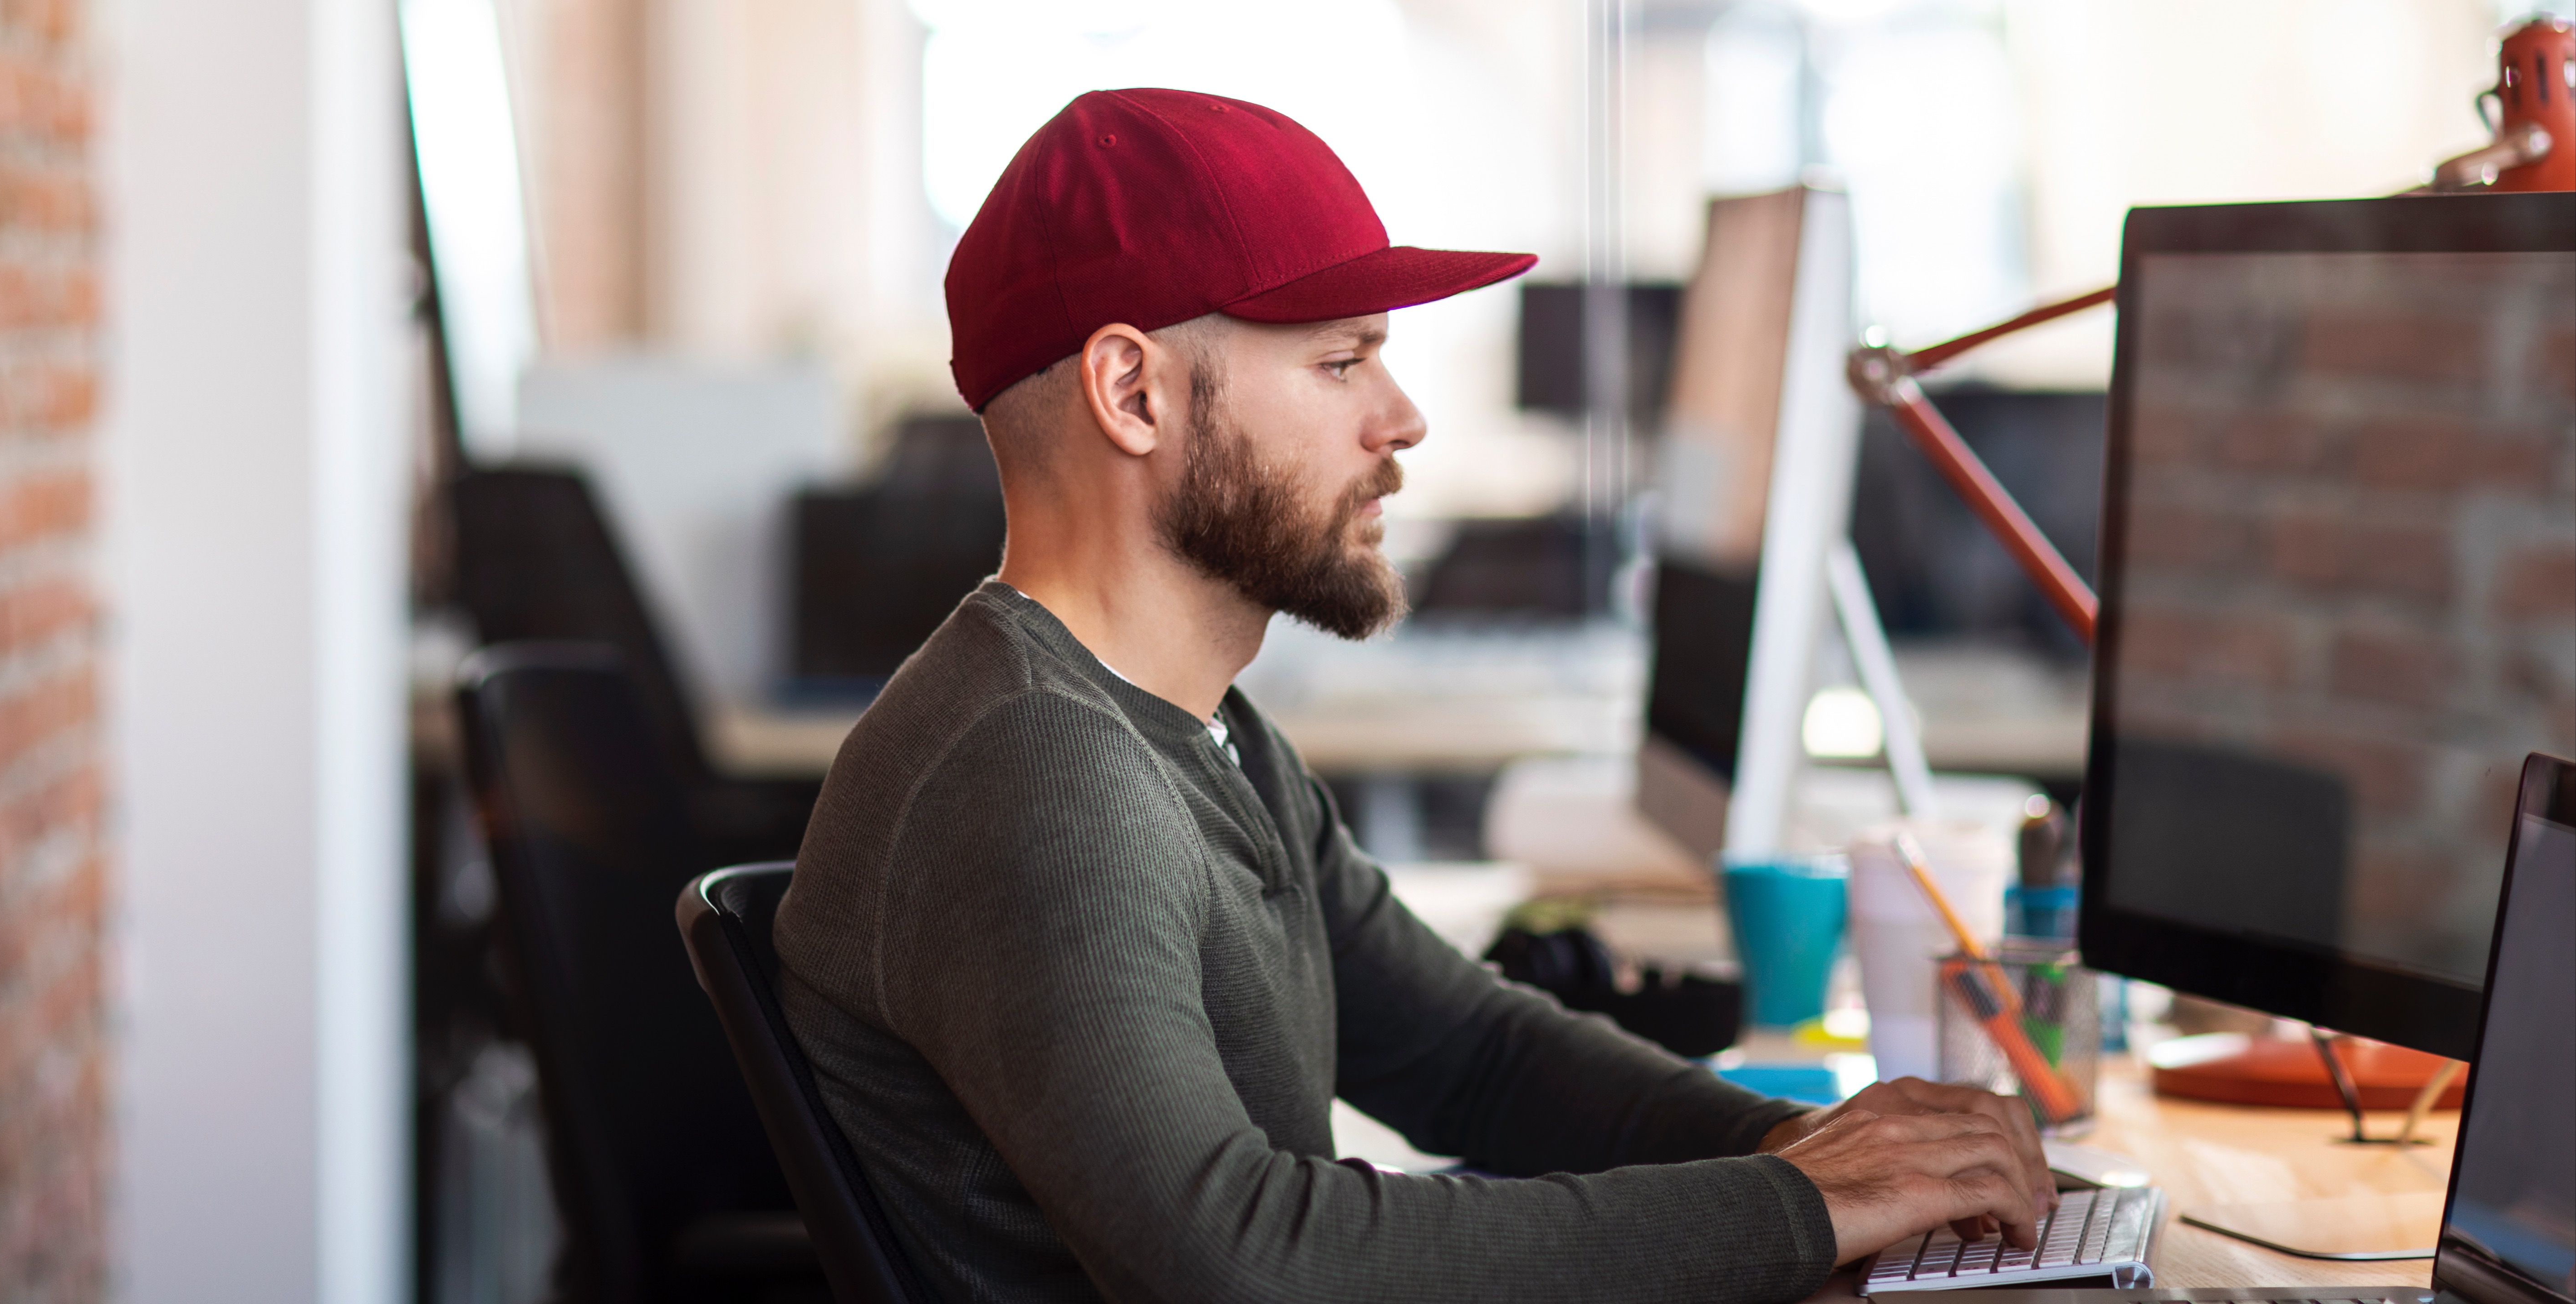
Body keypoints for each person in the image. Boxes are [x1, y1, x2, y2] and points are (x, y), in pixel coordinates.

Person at [775, 88, 2055, 1304]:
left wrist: (1817, 1142)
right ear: (1132, 392)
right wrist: (1796, 1206)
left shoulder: (1196, 730)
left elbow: (1469, 1056)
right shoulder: (1032, 769)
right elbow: (1247, 1265)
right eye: (1341, 363)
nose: (1404, 418)